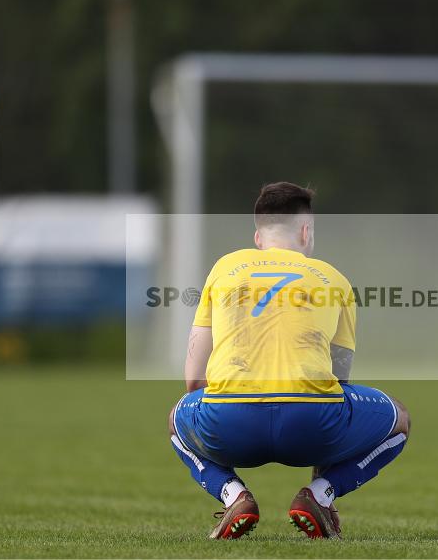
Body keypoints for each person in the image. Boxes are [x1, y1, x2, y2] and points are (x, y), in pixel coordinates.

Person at [168, 182, 410, 539]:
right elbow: (338, 383)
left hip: (230, 424)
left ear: (258, 237)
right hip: (311, 423)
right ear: (306, 232)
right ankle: (320, 495)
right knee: (400, 421)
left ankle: (233, 495)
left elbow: (193, 379)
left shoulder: (224, 268)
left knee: (176, 420)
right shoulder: (335, 280)